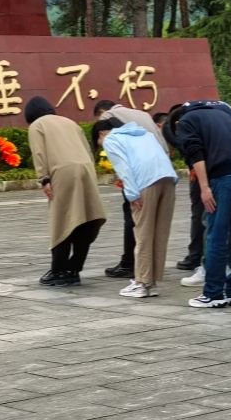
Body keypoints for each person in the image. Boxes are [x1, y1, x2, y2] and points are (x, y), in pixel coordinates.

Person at [165, 99, 231, 308]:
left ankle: (213, 293)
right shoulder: (226, 113)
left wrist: (205, 188)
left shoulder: (186, 121)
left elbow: (195, 152)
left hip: (223, 178)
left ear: (176, 124)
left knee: (216, 235)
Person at [25, 97, 107, 287]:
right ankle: (74, 269)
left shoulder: (37, 125)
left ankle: (58, 270)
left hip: (63, 171)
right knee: (86, 219)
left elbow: (39, 153)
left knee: (62, 220)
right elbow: (87, 149)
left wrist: (44, 179)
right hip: (86, 169)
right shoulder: (70, 122)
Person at [94, 116, 177, 299]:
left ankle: (142, 283)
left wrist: (132, 194)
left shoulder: (111, 139)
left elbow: (123, 168)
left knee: (143, 234)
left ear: (101, 134)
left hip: (146, 183)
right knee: (160, 234)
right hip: (168, 179)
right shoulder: (144, 134)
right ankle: (152, 283)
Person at [93, 98, 161, 280]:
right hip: (160, 170)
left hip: (138, 173)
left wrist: (127, 186)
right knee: (152, 222)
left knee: (133, 218)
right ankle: (150, 266)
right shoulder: (143, 114)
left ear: (101, 112)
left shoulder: (108, 117)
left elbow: (117, 152)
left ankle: (129, 264)